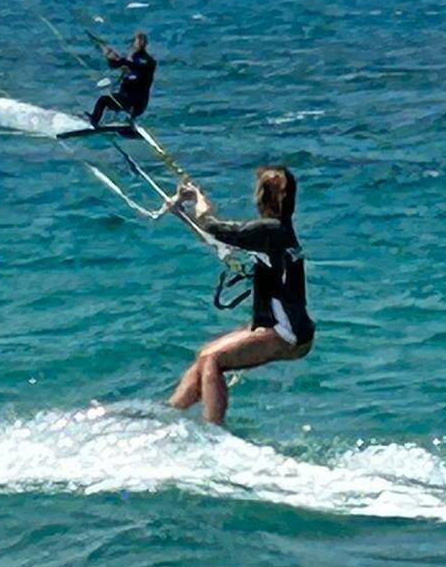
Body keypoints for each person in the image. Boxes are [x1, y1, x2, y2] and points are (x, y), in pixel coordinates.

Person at [167, 165, 314, 425]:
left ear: (261, 197)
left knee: (213, 359)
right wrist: (182, 212)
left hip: (286, 333)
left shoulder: (270, 230)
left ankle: (214, 432)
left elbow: (212, 226)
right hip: (288, 328)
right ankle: (170, 414)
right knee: (205, 355)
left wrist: (197, 198)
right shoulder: (279, 232)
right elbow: (221, 242)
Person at [89, 30, 156, 128]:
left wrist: (123, 62)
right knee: (103, 100)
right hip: (124, 99)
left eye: (141, 41)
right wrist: (108, 55)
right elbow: (115, 64)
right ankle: (96, 121)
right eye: (137, 41)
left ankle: (95, 123)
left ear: (145, 44)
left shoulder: (148, 61)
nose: (138, 44)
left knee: (103, 100)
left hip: (137, 102)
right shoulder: (132, 58)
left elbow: (139, 66)